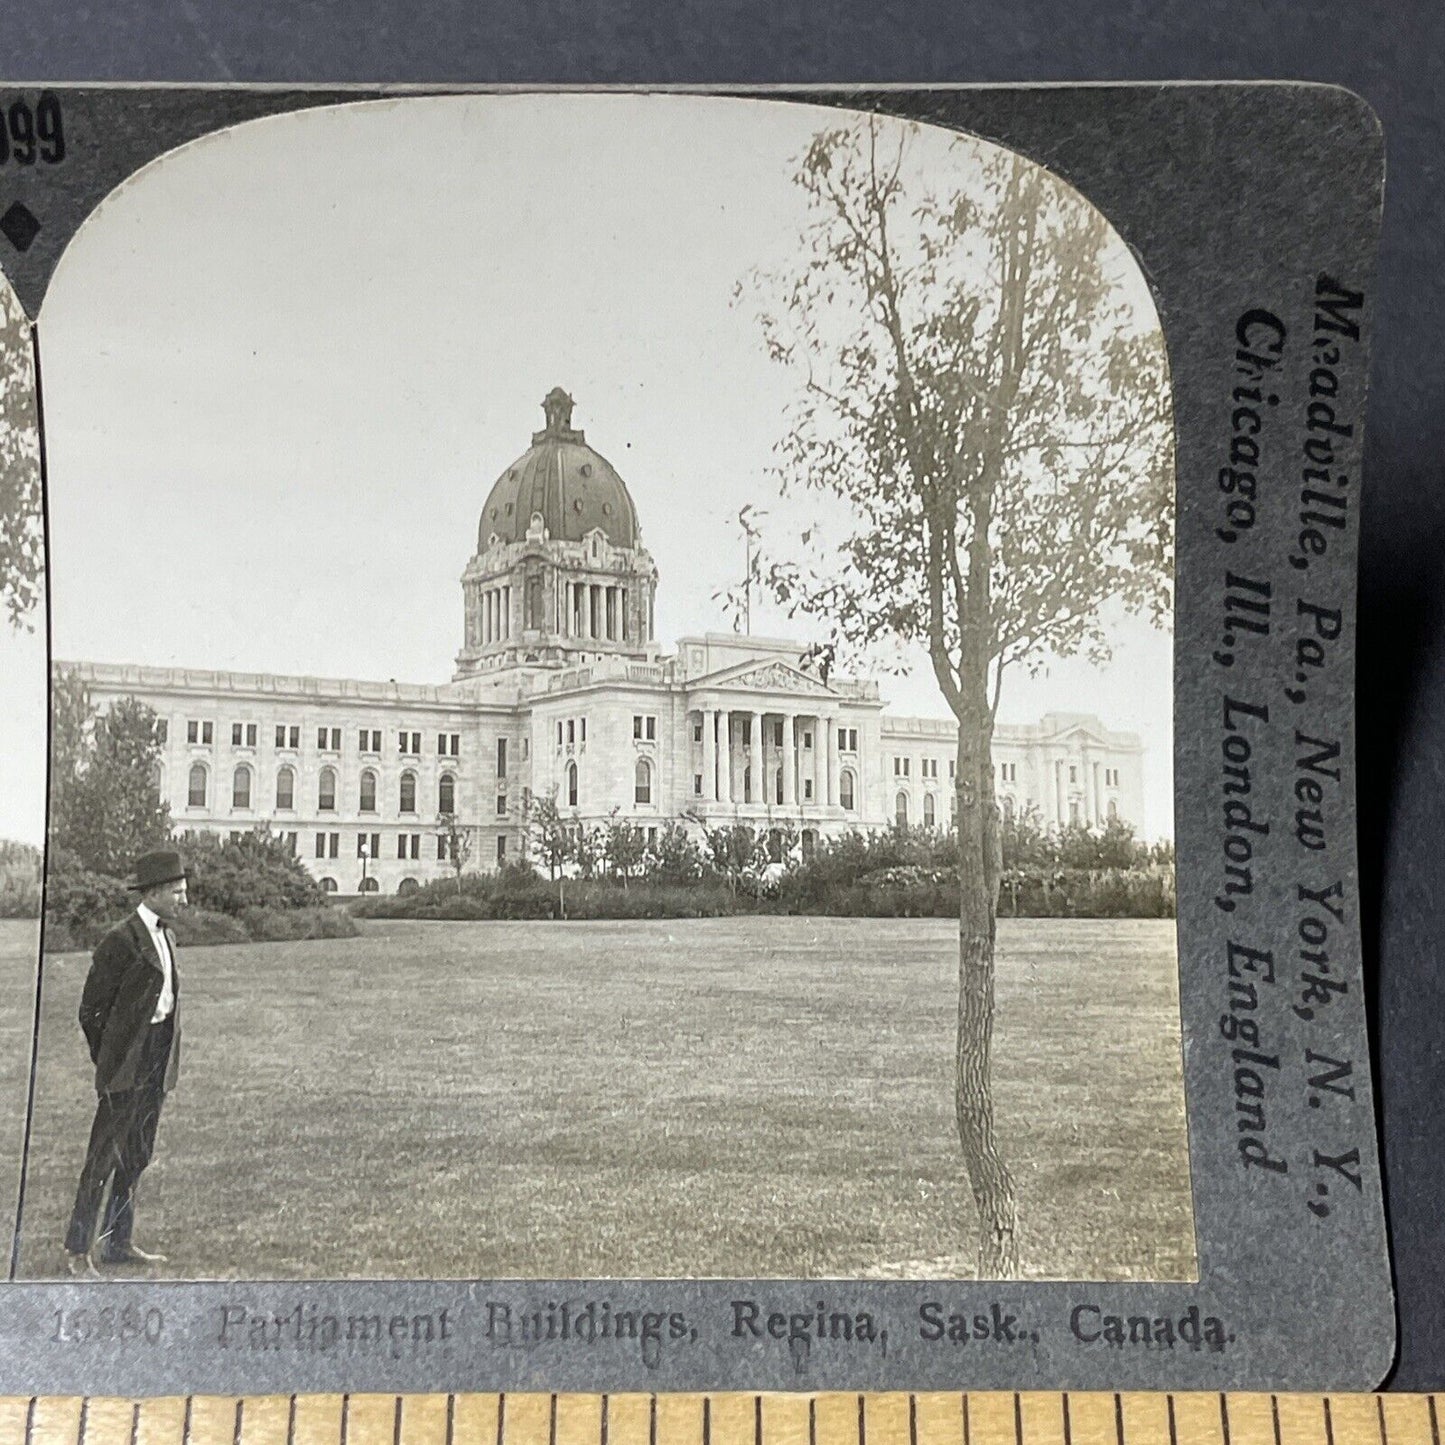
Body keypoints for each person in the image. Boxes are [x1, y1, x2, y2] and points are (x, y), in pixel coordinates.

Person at [64, 848, 186, 1275]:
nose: (182, 900)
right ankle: (79, 1251)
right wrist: (111, 1060)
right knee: (102, 1157)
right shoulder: (120, 939)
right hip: (124, 1066)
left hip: (157, 1059)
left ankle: (119, 1243)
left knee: (136, 1155)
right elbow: (90, 1011)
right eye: (176, 891)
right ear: (152, 893)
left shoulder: (166, 935)